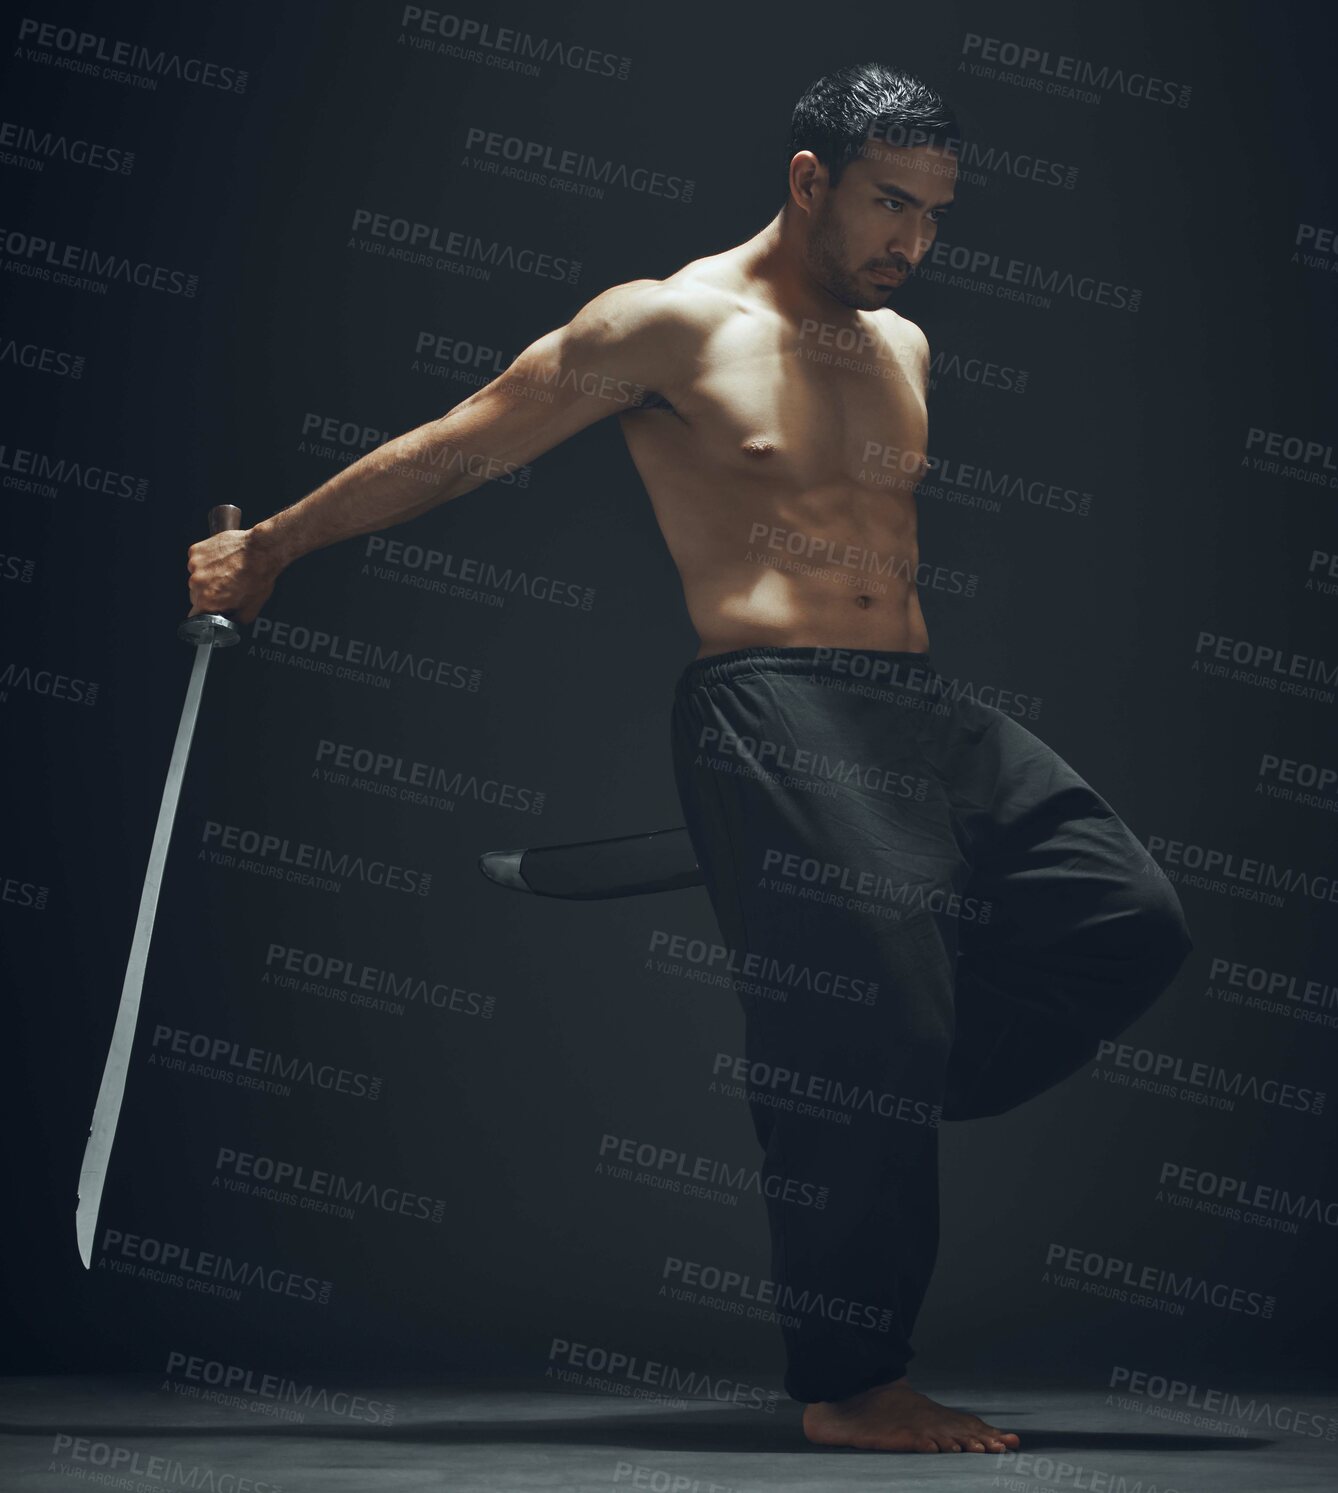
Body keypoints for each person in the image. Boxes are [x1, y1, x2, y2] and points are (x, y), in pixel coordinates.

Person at [186, 61, 1193, 1454]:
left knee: (1127, 916)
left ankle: (886, 1058)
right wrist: (273, 545)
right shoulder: (665, 323)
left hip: (913, 704)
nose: (914, 239)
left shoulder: (901, 345)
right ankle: (853, 1383)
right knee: (856, 1026)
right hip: (768, 697)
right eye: (888, 203)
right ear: (806, 180)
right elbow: (464, 446)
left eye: (935, 213)